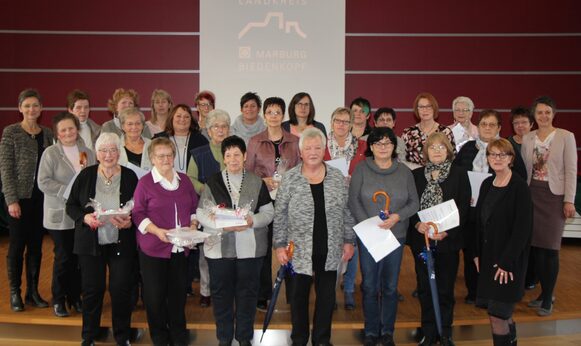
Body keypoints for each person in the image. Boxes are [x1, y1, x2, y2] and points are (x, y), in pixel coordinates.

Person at [274, 128, 355, 346]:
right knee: (299, 298)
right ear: (300, 152)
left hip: (329, 248)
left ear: (324, 150)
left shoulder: (337, 178)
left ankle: (322, 339)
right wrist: (280, 246)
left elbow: (347, 212)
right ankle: (299, 339)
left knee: (327, 298)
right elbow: (280, 214)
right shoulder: (290, 178)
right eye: (307, 148)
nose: (313, 152)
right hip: (298, 250)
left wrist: (349, 241)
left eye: (317, 147)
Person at [197, 135, 274, 346]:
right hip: (219, 250)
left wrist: (251, 221)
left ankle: (244, 337)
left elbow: (269, 212)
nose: (232, 159)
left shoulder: (256, 182)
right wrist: (221, 224)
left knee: (247, 295)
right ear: (223, 158)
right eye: (228, 155)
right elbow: (201, 213)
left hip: (250, 249)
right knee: (221, 295)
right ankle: (224, 337)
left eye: (237, 155)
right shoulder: (212, 182)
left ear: (245, 156)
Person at [66, 133, 138, 346]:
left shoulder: (130, 175)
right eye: (104, 151)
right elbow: (70, 205)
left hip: (121, 242)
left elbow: (141, 207)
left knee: (121, 290)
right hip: (91, 244)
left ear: (119, 152)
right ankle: (88, 336)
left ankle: (122, 337)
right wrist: (85, 217)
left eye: (113, 150)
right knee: (92, 290)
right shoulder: (85, 175)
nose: (109, 155)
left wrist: (130, 221)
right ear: (96, 153)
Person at [348, 127, 419, 346]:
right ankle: (371, 332)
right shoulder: (361, 169)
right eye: (378, 143)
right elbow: (353, 201)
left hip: (394, 237)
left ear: (394, 147)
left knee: (389, 286)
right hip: (369, 236)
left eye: (387, 143)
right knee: (370, 285)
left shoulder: (404, 171)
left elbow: (414, 203)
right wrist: (370, 225)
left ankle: (387, 331)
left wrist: (397, 217)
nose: (383, 147)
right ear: (370, 146)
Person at [453, 109, 527, 305]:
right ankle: (474, 291)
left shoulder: (508, 149)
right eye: (484, 124)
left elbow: (520, 176)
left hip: (498, 210)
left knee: (495, 249)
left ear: (499, 128)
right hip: (471, 209)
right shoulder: (468, 148)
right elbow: (457, 175)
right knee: (472, 250)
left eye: (492, 124)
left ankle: (493, 291)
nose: (487, 128)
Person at [132, 138, 198, 345]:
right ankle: (160, 338)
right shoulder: (145, 183)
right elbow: (137, 214)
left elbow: (194, 208)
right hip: (154, 249)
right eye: (160, 155)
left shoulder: (185, 180)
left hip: (180, 248)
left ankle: (179, 337)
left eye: (169, 154)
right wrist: (156, 231)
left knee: (178, 296)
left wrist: (194, 226)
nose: (165, 159)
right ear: (152, 158)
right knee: (154, 298)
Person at [408, 133, 471, 345]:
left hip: (447, 242)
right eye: (432, 147)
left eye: (441, 147)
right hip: (422, 241)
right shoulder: (416, 176)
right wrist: (417, 224)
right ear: (425, 152)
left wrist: (448, 231)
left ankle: (445, 332)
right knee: (425, 288)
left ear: (448, 151)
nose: (436, 150)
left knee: (445, 289)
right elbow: (410, 206)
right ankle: (428, 332)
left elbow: (464, 207)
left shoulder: (459, 174)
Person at [473, 138, 533, 346]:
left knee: (497, 315)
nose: (497, 159)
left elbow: (523, 230)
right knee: (502, 313)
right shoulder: (487, 183)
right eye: (492, 154)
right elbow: (479, 222)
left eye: (502, 155)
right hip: (489, 259)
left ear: (511, 159)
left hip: (509, 262)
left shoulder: (519, 187)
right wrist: (476, 253)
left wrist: (507, 262)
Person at [521, 96, 577, 316]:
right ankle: (544, 294)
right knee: (536, 248)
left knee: (550, 249)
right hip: (532, 193)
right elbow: (525, 168)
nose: (543, 116)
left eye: (547, 112)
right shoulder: (528, 137)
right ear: (534, 115)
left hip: (555, 197)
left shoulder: (565, 136)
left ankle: (548, 297)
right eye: (539, 112)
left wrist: (569, 200)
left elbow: (571, 170)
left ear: (553, 114)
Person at [38, 112, 96, 317]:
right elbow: (43, 182)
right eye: (63, 130)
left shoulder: (88, 152)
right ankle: (59, 299)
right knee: (64, 258)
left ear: (77, 129)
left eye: (71, 128)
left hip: (81, 215)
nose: (68, 132)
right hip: (59, 216)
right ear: (57, 134)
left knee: (79, 259)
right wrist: (67, 191)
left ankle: (75, 297)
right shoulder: (51, 153)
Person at [0, 89, 54, 312]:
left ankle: (32, 292)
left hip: (41, 201)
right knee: (16, 247)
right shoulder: (11, 132)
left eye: (35, 105)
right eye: (27, 105)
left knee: (36, 247)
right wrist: (11, 200)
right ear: (20, 108)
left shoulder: (48, 134)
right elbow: (5, 168)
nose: (32, 109)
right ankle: (15, 292)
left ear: (41, 109)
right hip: (19, 200)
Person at [245, 96, 300, 309]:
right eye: (270, 112)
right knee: (264, 247)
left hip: (289, 200)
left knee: (290, 245)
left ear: (283, 115)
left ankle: (293, 292)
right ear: (264, 115)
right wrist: (263, 181)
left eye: (278, 112)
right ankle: (262, 293)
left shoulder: (295, 141)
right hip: (263, 200)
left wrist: (288, 181)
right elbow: (247, 173)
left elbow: (301, 171)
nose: (274, 116)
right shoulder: (255, 141)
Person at [322, 106, 366, 310]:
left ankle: (348, 288)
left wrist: (354, 179)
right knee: (329, 247)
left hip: (354, 201)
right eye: (337, 121)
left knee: (352, 245)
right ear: (331, 123)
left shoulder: (362, 146)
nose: (341, 125)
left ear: (351, 124)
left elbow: (368, 173)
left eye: (345, 121)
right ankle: (328, 292)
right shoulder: (321, 145)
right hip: (327, 202)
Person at [187, 109, 231, 307]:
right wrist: (205, 188)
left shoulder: (235, 151)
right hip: (207, 209)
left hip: (231, 210)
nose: (220, 130)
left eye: (224, 126)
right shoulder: (199, 153)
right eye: (216, 127)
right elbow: (189, 179)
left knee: (229, 252)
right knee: (207, 253)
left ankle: (226, 289)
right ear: (208, 130)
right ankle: (206, 291)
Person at [402, 92, 455, 168]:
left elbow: (451, 158)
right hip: (414, 177)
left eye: (428, 106)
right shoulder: (408, 133)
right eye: (421, 107)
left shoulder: (446, 132)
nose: (425, 110)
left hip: (441, 176)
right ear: (417, 109)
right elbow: (401, 160)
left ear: (434, 108)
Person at [153, 104, 208, 174]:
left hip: (191, 183)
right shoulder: (159, 139)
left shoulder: (201, 140)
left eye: (186, 117)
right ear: (172, 118)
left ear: (191, 120)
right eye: (178, 116)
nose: (182, 119)